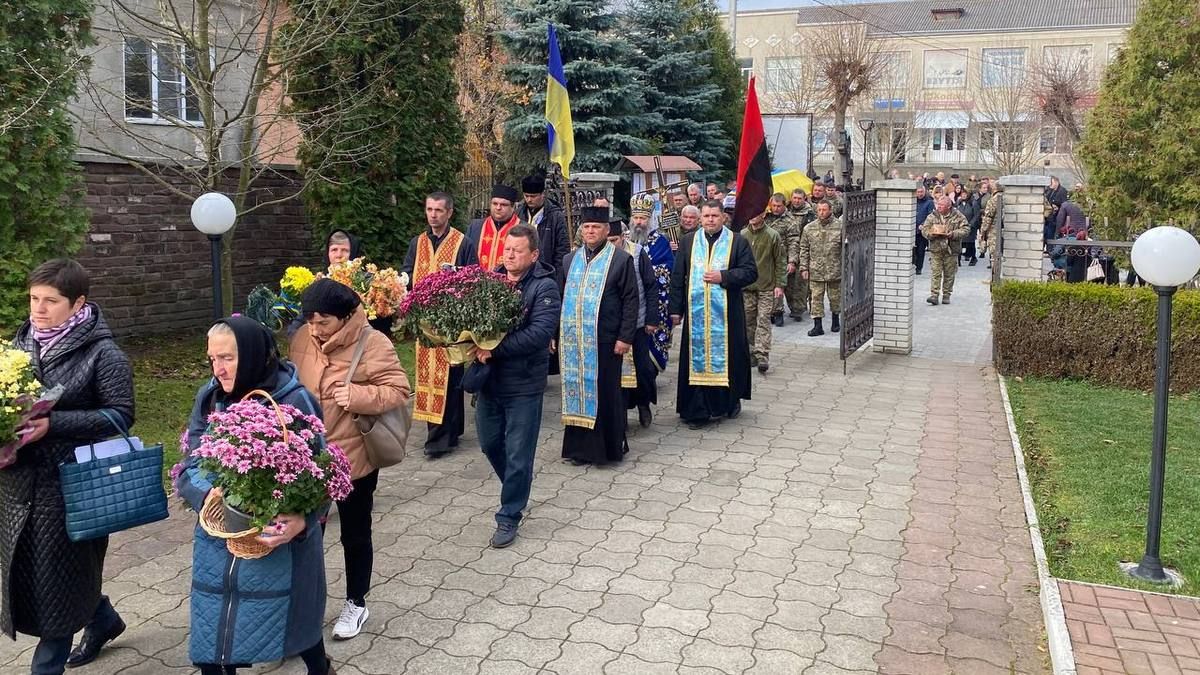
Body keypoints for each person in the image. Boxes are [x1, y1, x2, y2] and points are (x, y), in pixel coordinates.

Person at [177, 317, 333, 675]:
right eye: (212, 359)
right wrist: (209, 496)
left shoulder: (293, 399)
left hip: (278, 538)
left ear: (250, 354)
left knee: (294, 623)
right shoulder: (211, 396)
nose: (218, 369)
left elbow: (323, 472)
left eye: (227, 358)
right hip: (220, 534)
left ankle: (319, 667)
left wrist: (302, 521)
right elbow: (192, 461)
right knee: (213, 637)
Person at [1, 260, 132, 675]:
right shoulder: (20, 345)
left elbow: (120, 415)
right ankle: (102, 618)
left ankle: (46, 667)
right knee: (40, 574)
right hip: (18, 483)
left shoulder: (102, 353)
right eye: (34, 299)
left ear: (78, 303)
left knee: (57, 579)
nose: (38, 309)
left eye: (51, 301)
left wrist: (53, 424)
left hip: (71, 485)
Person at [291, 280, 409, 641]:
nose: (315, 329)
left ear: (345, 317)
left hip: (353, 458)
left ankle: (356, 602)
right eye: (310, 321)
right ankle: (305, 610)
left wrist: (358, 395)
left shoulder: (373, 343)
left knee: (355, 534)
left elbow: (400, 389)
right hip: (309, 458)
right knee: (307, 536)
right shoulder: (302, 340)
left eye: (323, 321)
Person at [474, 225, 560, 549]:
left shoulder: (545, 287)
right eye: (507, 249)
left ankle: (509, 515)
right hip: (490, 382)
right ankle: (517, 485)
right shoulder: (491, 281)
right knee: (489, 443)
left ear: (534, 254)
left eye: (517, 250)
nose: (509, 255)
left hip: (524, 383)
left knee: (519, 453)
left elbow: (539, 334)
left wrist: (494, 348)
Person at [558, 207, 638, 465]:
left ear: (606, 230)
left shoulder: (620, 260)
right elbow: (560, 299)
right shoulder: (569, 260)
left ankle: (606, 450)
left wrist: (625, 337)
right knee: (576, 389)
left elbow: (630, 301)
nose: (590, 231)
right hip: (574, 340)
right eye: (587, 226)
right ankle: (578, 450)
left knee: (605, 393)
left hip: (606, 340)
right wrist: (555, 334)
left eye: (596, 227)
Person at [669, 201, 757, 430]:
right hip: (696, 315)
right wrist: (675, 310)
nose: (710, 219)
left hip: (728, 315)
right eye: (706, 215)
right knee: (695, 359)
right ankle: (696, 410)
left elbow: (750, 272)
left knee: (731, 357)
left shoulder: (737, 241)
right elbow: (678, 277)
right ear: (700, 218)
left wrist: (724, 276)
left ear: (723, 218)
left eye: (714, 216)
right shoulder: (689, 241)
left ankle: (728, 402)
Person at [402, 193, 478, 458]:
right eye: (429, 209)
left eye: (438, 210)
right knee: (427, 375)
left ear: (449, 212)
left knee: (451, 376)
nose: (433, 215)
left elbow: (472, 278)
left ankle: (445, 435)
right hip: (424, 323)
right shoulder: (418, 243)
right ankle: (439, 434)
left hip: (450, 323)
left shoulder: (462, 243)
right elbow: (407, 272)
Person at [609, 216, 665, 429]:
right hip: (613, 324)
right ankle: (619, 414)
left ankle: (644, 404)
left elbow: (651, 286)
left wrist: (652, 319)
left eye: (615, 240)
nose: (611, 245)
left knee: (642, 369)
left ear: (622, 237)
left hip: (639, 322)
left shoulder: (638, 253)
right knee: (617, 374)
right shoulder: (602, 255)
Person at [741, 210, 787, 374]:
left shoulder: (773, 235)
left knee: (764, 319)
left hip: (767, 286)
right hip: (747, 287)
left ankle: (762, 355)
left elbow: (780, 260)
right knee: (748, 320)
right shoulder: (743, 235)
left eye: (757, 213)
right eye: (751, 214)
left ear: (763, 215)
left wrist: (780, 284)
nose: (753, 216)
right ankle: (751, 351)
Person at [798, 200, 843, 337]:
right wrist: (804, 268)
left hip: (834, 268)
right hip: (815, 269)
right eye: (819, 210)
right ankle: (818, 326)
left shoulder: (840, 227)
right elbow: (804, 248)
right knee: (815, 299)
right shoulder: (809, 228)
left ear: (830, 210)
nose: (822, 212)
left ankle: (836, 321)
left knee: (835, 297)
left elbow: (846, 247)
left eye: (824, 210)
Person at [920, 195, 971, 306]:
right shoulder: (932, 216)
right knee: (935, 272)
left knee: (949, 273)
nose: (939, 207)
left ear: (949, 206)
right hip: (936, 249)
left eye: (942, 205)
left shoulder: (958, 216)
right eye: (938, 205)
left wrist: (953, 234)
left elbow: (966, 229)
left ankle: (946, 295)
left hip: (951, 249)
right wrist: (931, 234)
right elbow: (925, 229)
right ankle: (934, 295)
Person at [516, 173, 570, 273]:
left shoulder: (555, 216)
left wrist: (557, 274)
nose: (529, 200)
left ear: (542, 194)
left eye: (533, 196)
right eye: (526, 196)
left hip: (546, 270)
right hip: (521, 268)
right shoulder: (519, 213)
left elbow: (562, 249)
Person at [764, 193, 804, 325]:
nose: (776, 208)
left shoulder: (790, 221)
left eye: (778, 206)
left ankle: (792, 310)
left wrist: (792, 261)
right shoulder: (766, 218)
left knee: (788, 287)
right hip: (768, 258)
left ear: (784, 205)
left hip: (783, 258)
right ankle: (776, 311)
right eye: (774, 205)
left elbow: (794, 241)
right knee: (771, 287)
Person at [468, 185, 523, 271]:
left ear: (513, 207)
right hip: (477, 282)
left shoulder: (524, 229)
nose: (498, 208)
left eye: (503, 205)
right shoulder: (475, 227)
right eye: (495, 203)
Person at [953, 183, 980, 266]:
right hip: (960, 226)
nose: (964, 196)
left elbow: (976, 215)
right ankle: (958, 259)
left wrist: (971, 224)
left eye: (965, 194)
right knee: (960, 242)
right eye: (962, 194)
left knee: (970, 243)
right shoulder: (959, 202)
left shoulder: (973, 203)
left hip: (970, 226)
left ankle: (973, 258)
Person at [979, 183, 1004, 269]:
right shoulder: (1007, 197)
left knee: (994, 255)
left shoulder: (993, 200)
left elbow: (988, 217)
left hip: (994, 230)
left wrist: (983, 231)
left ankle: (995, 276)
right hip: (1006, 229)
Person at [913, 185, 934, 274]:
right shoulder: (913, 201)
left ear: (924, 192)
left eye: (921, 192)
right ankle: (913, 265)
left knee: (920, 251)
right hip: (912, 230)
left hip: (923, 231)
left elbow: (931, 216)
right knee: (913, 251)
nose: (920, 194)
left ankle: (919, 268)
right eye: (918, 192)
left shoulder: (929, 202)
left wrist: (923, 224)